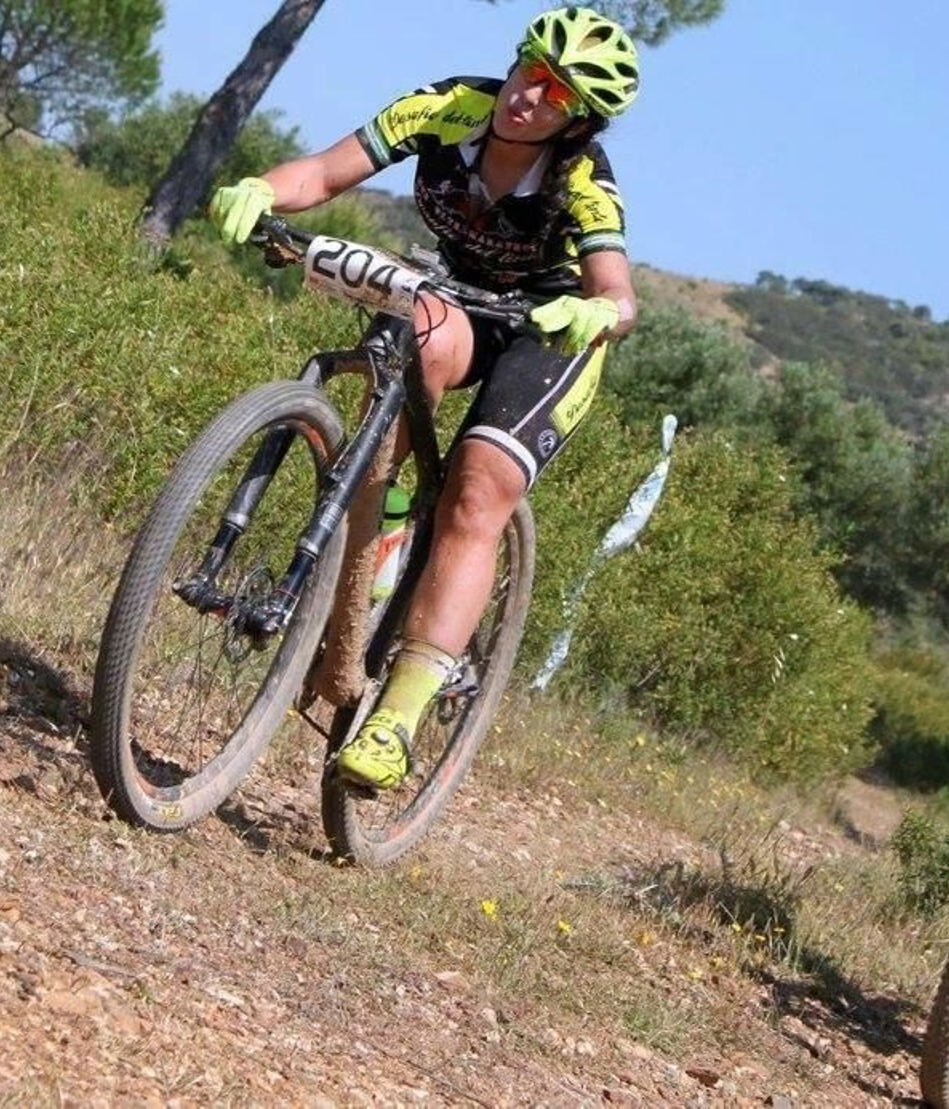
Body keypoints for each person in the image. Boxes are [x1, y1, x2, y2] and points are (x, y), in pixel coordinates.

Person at [207, 7, 641, 790]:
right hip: (463, 298)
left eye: (556, 93)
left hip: (549, 334)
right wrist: (257, 188)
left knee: (478, 489)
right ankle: (388, 535)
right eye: (528, 68)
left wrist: (595, 311)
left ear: (577, 121)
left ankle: (400, 714)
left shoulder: (583, 180)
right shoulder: (446, 108)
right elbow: (327, 170)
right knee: (408, 345)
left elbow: (621, 294)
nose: (528, 96)